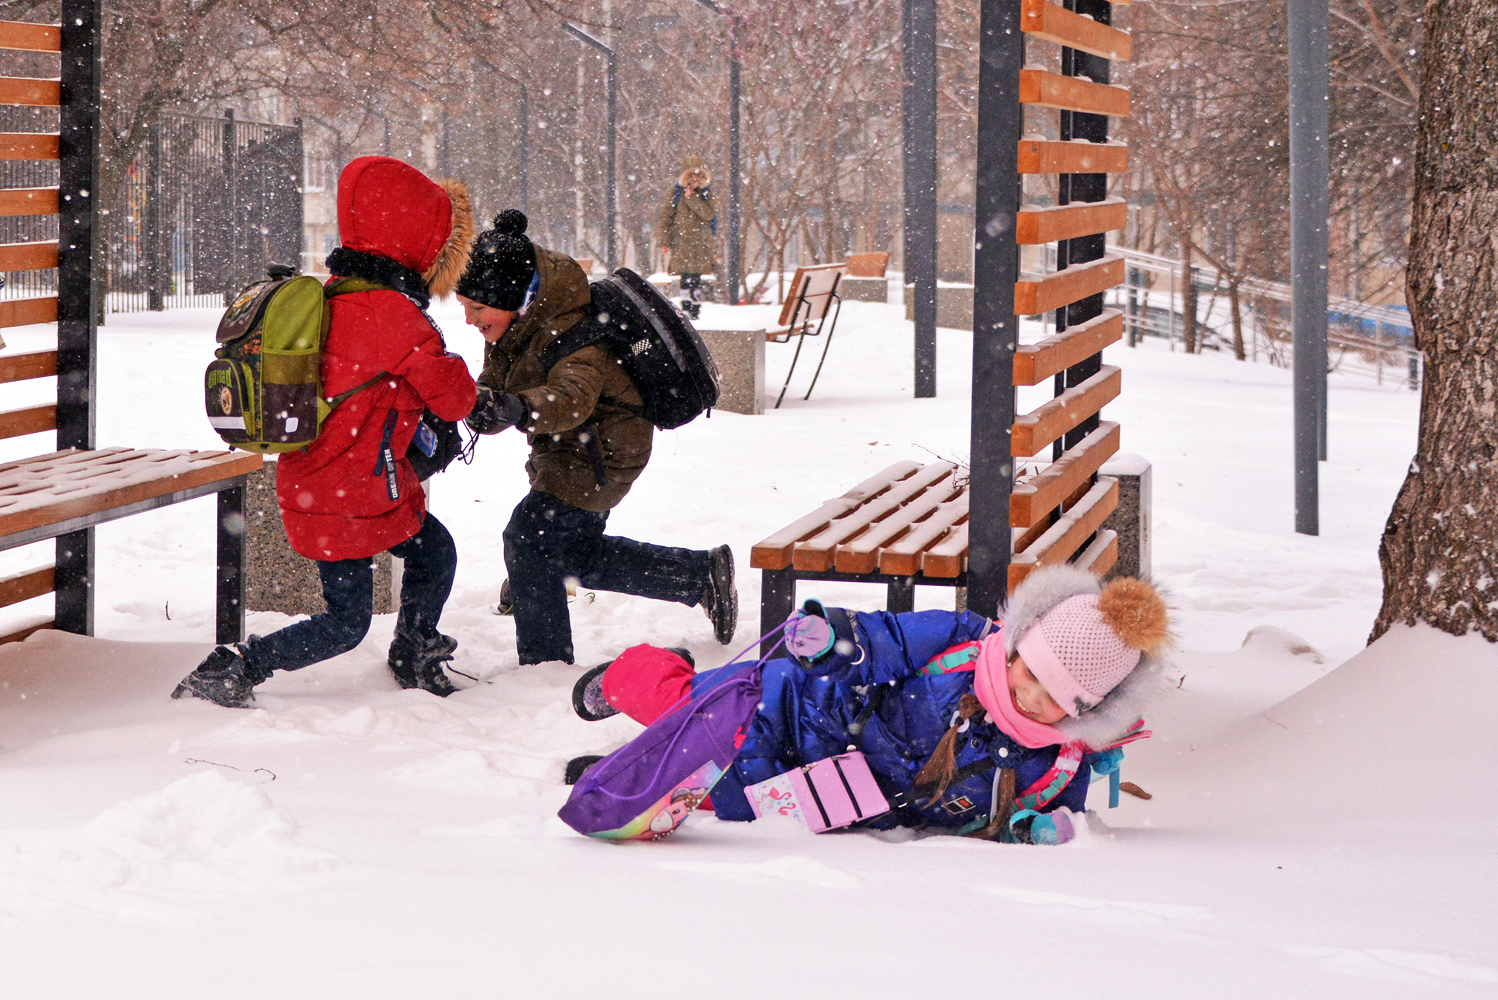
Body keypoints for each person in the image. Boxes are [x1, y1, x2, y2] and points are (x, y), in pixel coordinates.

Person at [173, 155, 478, 707]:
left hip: (326, 483)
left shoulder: (333, 295)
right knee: (348, 622)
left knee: (431, 553)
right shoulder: (394, 315)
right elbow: (454, 397)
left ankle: (414, 647)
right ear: (413, 239)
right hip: (355, 495)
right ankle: (238, 665)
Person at [568, 565, 1170, 840]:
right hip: (795, 707)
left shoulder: (1056, 763)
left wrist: (1035, 826)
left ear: (1086, 712)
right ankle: (629, 673)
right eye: (1031, 670)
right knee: (684, 705)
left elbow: (1052, 815)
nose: (1031, 696)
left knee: (708, 796)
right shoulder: (961, 640)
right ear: (1016, 642)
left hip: (818, 795)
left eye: (1058, 698)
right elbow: (881, 640)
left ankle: (622, 771)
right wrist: (835, 639)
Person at [454, 209, 737, 666]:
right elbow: (502, 379)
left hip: (599, 455)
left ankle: (544, 665)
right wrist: (482, 400)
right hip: (571, 448)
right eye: (464, 307)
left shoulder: (572, 333)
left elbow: (572, 399)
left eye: (477, 308)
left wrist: (518, 407)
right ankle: (697, 575)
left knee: (529, 539)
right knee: (571, 554)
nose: (469, 319)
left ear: (512, 298)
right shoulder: (518, 320)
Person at [657, 155, 718, 319]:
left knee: (696, 277)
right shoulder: (675, 193)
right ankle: (686, 308)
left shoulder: (706, 193)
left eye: (698, 175)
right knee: (685, 277)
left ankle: (695, 309)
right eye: (691, 175)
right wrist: (665, 241)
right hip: (682, 241)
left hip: (700, 243)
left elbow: (709, 214)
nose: (695, 179)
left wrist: (692, 199)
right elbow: (666, 217)